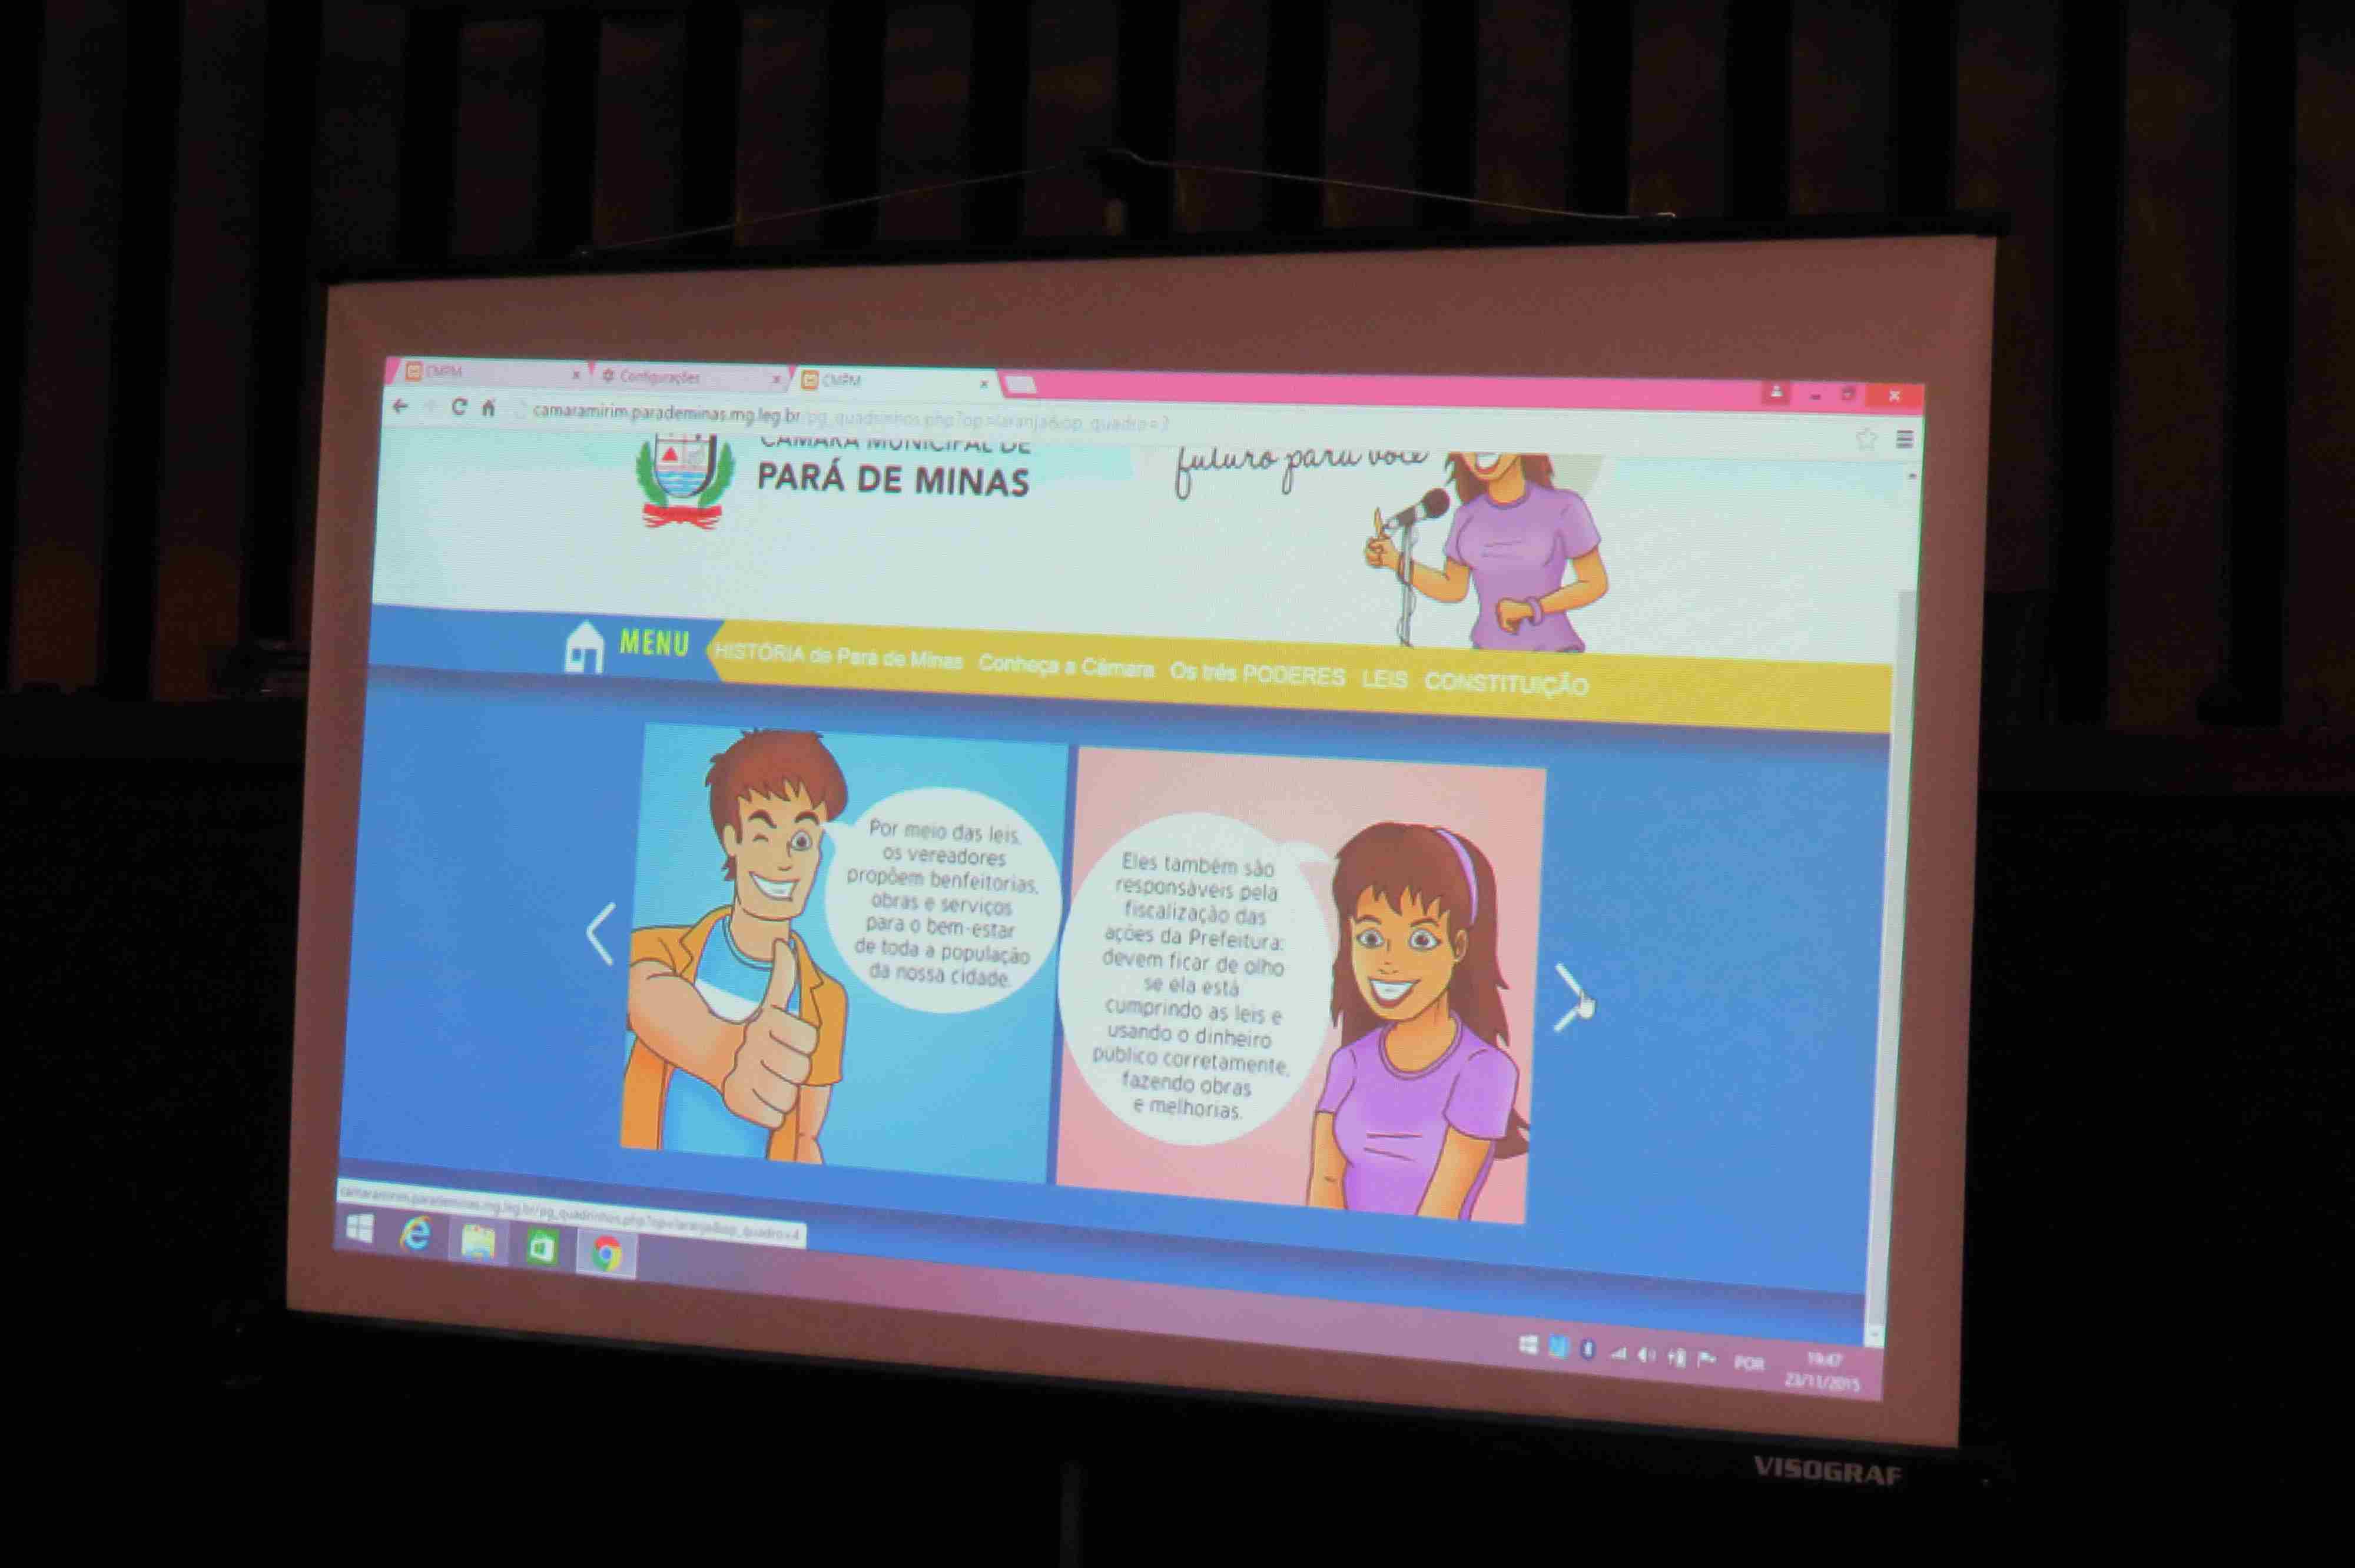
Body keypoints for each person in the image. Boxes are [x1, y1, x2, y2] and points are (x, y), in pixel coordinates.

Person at [622, 729, 848, 1162]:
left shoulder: (827, 1001)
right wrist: (721, 1053)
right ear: (733, 839)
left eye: (802, 840)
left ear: (820, 851)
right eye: (763, 835)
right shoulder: (662, 949)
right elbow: (640, 990)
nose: (783, 860)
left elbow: (805, 1138)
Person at [1307, 822, 1527, 1219]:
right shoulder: (1349, 1063)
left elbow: (1441, 1214)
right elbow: (1324, 1186)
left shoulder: (1485, 1070)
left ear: (1458, 946)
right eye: (1371, 939)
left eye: (1421, 940)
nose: (1389, 963)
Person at [1362, 453, 1608, 651]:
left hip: (1554, 659)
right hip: (1485, 662)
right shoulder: (1467, 516)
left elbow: (1595, 583)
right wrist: (1395, 561)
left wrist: (1530, 609)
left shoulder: (1565, 506)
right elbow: (1452, 588)